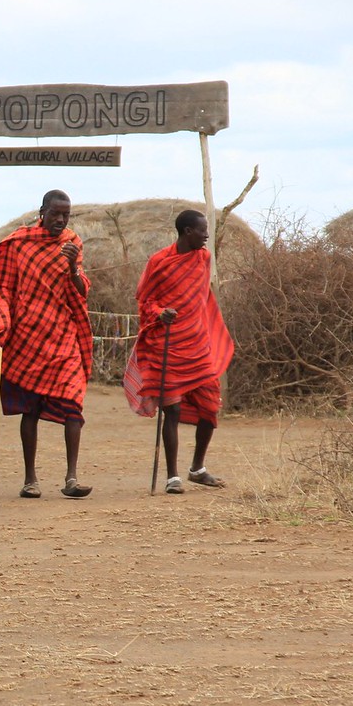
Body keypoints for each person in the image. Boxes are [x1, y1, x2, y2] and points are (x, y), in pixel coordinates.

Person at [0, 189, 93, 498]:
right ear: (42, 211)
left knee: (73, 405)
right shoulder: (21, 244)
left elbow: (81, 290)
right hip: (27, 336)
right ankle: (30, 479)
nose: (60, 219)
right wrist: (0, 319)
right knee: (31, 410)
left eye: (66, 215)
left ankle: (71, 477)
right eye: (55, 213)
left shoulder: (72, 244)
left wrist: (72, 267)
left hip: (62, 335)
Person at [124, 210, 235, 494]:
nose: (206, 235)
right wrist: (161, 313)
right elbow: (146, 300)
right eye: (202, 230)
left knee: (210, 408)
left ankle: (197, 468)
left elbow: (201, 299)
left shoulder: (204, 259)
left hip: (198, 345)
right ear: (187, 231)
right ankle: (173, 476)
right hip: (167, 344)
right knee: (171, 409)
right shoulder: (159, 262)